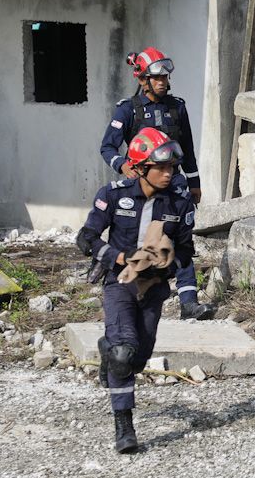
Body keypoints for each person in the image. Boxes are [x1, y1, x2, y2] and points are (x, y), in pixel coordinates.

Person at [77, 128, 196, 453]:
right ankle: (124, 425)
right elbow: (86, 238)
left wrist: (167, 261)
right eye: (162, 167)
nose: (169, 173)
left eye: (173, 167)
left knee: (138, 359)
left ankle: (107, 347)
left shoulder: (180, 202)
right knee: (123, 353)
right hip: (119, 283)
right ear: (141, 167)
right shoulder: (114, 194)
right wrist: (118, 257)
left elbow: (187, 250)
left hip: (155, 288)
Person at [99, 46, 215, 320]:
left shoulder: (178, 108)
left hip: (174, 184)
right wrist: (123, 165)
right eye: (157, 78)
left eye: (165, 78)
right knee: (135, 240)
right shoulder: (128, 111)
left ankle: (189, 302)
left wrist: (194, 181)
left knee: (180, 240)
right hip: (142, 189)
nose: (163, 83)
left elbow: (186, 146)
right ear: (143, 80)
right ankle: (128, 294)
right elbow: (107, 148)